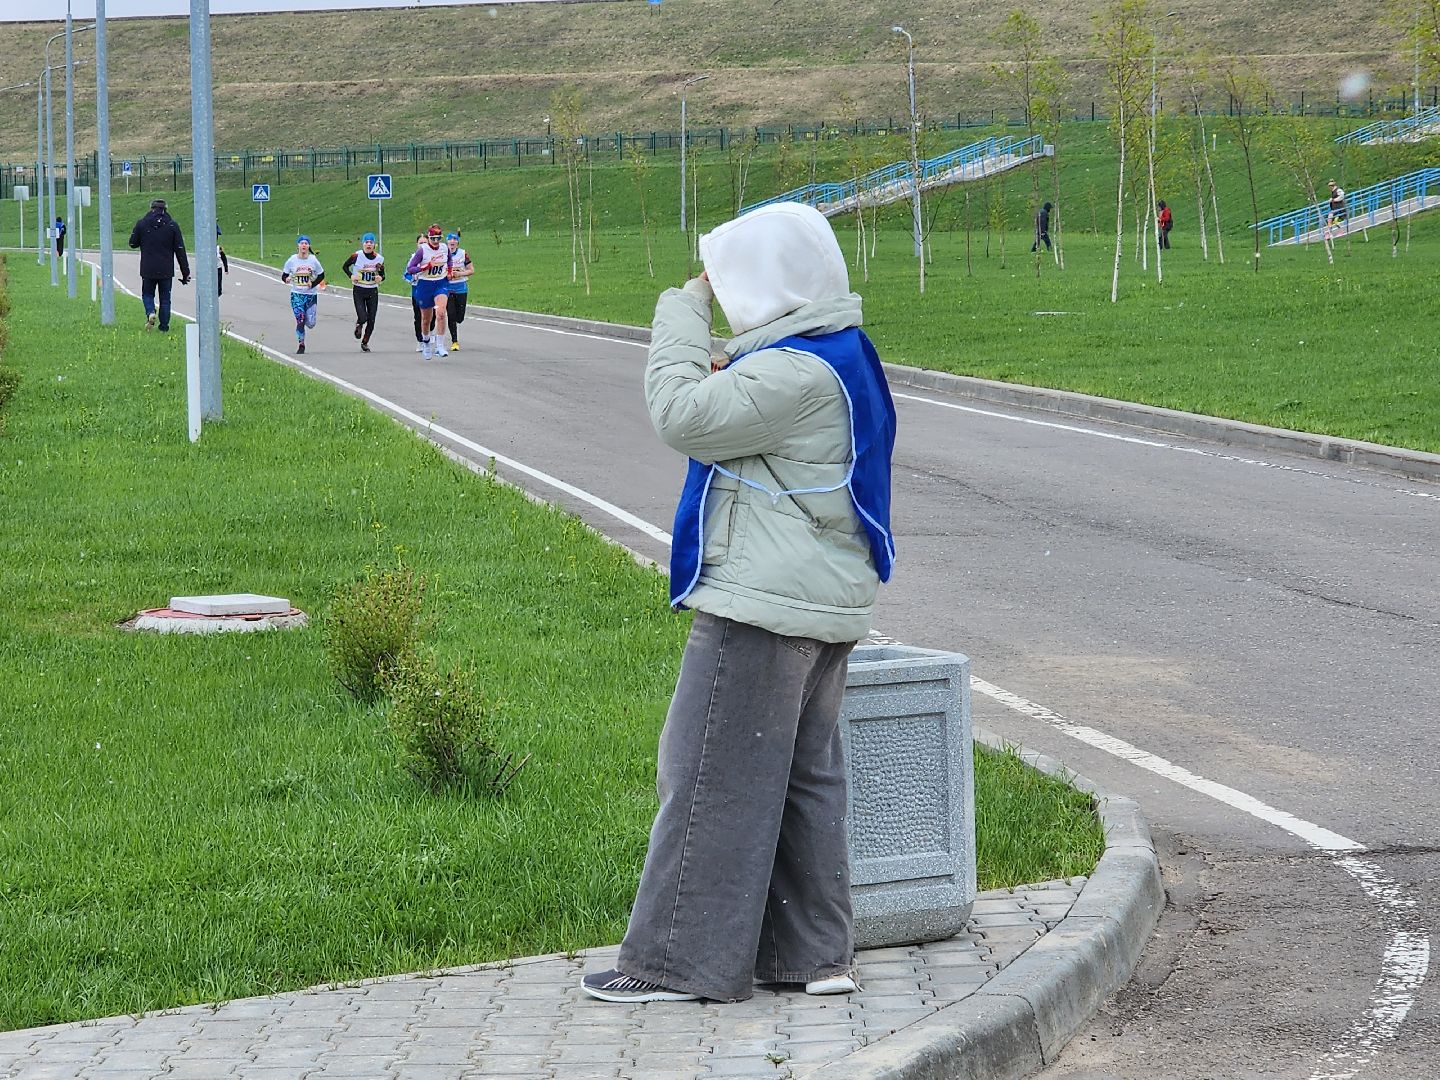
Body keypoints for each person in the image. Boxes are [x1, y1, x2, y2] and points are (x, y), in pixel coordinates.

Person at [580, 201, 897, 1006]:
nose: (716, 291)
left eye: (726, 278)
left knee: (707, 773)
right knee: (800, 783)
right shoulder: (840, 351)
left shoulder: (789, 372)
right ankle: (813, 956)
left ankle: (672, 964)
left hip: (764, 606)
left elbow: (679, 414)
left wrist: (681, 308)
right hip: (820, 606)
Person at [127, 198, 191, 333]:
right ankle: (164, 327)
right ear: (165, 210)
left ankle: (150, 311)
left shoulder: (142, 224)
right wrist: (185, 272)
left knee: (147, 294)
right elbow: (180, 250)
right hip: (166, 269)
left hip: (148, 268)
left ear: (151, 209)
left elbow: (132, 243)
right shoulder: (172, 225)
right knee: (165, 299)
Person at [405, 224, 450, 359]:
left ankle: (440, 346)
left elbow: (450, 261)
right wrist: (423, 267)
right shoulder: (422, 251)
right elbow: (410, 269)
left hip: (440, 283)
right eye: (433, 238)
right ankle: (425, 343)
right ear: (429, 237)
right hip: (425, 285)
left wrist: (450, 270)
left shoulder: (444, 248)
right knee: (426, 320)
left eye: (438, 238)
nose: (436, 241)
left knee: (441, 313)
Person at [280, 235, 325, 355]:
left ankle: (305, 320)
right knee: (300, 320)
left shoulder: (313, 260)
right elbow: (284, 276)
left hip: (311, 295)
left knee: (310, 323)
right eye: (302, 243)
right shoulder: (292, 260)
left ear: (309, 246)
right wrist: (287, 279)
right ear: (298, 246)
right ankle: (301, 343)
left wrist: (313, 283)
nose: (304, 245)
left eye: (306, 243)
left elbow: (321, 275)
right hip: (296, 295)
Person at [342, 232, 385, 352]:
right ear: (363, 244)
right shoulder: (356, 256)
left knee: (371, 319)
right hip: (359, 290)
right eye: (366, 242)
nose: (369, 244)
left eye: (371, 242)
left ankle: (365, 342)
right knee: (363, 316)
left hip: (372, 290)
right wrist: (351, 276)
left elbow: (383, 275)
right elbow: (345, 266)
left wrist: (380, 278)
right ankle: (359, 324)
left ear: (374, 245)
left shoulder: (379, 259)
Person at [444, 232, 473, 350]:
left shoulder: (463, 254)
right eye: (450, 241)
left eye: (454, 241)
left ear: (457, 243)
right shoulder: (442, 255)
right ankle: (454, 341)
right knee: (451, 314)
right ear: (447, 243)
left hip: (461, 288)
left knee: (459, 317)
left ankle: (458, 320)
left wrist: (459, 274)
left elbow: (471, 270)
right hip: (447, 288)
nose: (452, 243)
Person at [216, 228, 230, 297]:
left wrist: (226, 269)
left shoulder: (219, 248)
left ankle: (218, 293)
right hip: (210, 270)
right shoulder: (206, 248)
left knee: (218, 283)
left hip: (218, 268)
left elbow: (224, 259)